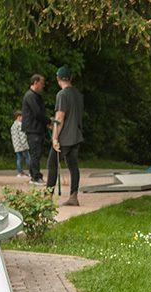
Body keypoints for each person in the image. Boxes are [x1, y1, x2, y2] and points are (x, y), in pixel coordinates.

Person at [46, 66, 84, 207]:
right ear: (71, 78)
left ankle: (47, 198)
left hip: (64, 138)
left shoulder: (62, 94)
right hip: (77, 135)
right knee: (73, 166)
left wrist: (55, 137)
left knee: (52, 165)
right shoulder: (78, 94)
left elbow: (60, 117)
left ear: (58, 79)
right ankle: (74, 196)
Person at [21, 74, 49, 184]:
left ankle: (34, 176)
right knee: (35, 153)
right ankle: (36, 177)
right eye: (42, 83)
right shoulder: (30, 96)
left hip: (37, 129)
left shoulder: (36, 96)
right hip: (33, 129)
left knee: (36, 153)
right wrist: (49, 121)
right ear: (36, 82)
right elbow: (37, 113)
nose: (43, 86)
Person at [10, 110, 30, 177]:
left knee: (19, 158)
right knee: (28, 157)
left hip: (16, 145)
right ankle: (31, 171)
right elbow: (22, 136)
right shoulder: (20, 125)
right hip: (22, 145)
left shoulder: (13, 125)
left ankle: (20, 172)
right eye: (22, 117)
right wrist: (25, 144)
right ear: (19, 117)